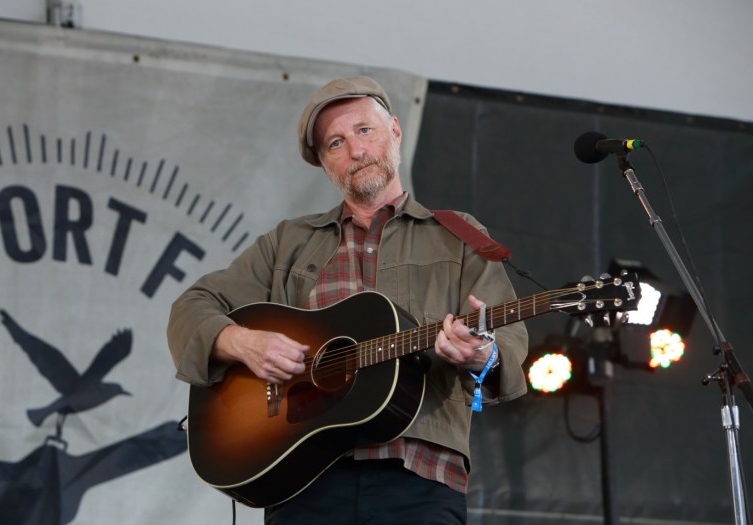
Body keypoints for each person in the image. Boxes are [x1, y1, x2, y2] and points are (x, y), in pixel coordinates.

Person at [167, 76, 529, 524]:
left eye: (364, 130)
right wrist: (243, 343)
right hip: (304, 478)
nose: (356, 150)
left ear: (394, 130)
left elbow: (507, 339)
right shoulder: (288, 242)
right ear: (324, 164)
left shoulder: (459, 236)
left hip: (420, 474)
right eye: (335, 143)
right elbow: (192, 307)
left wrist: (482, 355)